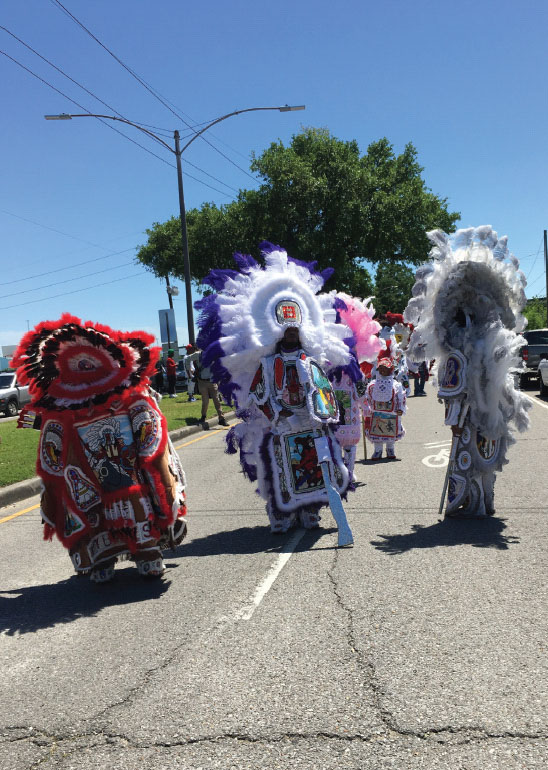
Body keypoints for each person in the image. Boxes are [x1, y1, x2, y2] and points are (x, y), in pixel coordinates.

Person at [12, 314, 188, 582]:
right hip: (88, 473)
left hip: (129, 469)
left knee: (140, 505)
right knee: (93, 512)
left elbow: (149, 421)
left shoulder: (129, 393)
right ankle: (101, 559)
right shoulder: (66, 403)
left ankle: (148, 553)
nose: (86, 368)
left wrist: (146, 447)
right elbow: (56, 433)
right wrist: (42, 424)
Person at [194, 242, 354, 536]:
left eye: (296, 331)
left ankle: (310, 510)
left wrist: (322, 414)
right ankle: (282, 513)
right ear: (278, 332)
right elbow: (258, 394)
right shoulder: (268, 364)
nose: (292, 335)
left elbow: (323, 390)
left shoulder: (310, 361)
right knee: (280, 471)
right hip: (280, 427)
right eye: (287, 331)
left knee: (316, 468)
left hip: (309, 425)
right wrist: (279, 416)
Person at [404, 226, 531, 518]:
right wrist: (454, 420)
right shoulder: (456, 354)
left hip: (488, 415)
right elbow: (452, 391)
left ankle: (484, 500)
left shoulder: (492, 346)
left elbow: (503, 384)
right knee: (468, 458)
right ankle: (471, 501)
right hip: (469, 418)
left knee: (486, 456)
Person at [328, 292, 384, 480]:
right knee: (350, 447)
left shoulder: (326, 367)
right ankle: (349, 473)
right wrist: (367, 409)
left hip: (332, 416)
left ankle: (339, 473)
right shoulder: (353, 369)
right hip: (349, 418)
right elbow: (360, 390)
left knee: (334, 446)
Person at [364, 356, 406, 460]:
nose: (382, 371)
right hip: (376, 413)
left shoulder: (396, 385)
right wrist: (366, 408)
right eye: (381, 369)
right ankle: (378, 451)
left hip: (392, 413)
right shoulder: (372, 385)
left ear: (390, 370)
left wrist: (401, 408)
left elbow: (401, 398)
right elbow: (368, 397)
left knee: (390, 432)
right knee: (377, 432)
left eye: (385, 369)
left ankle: (390, 449)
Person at [194, 350, 228, 429]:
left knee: (217, 400)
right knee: (205, 401)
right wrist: (190, 370)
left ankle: (221, 418)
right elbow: (187, 359)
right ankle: (203, 416)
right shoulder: (198, 354)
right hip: (202, 382)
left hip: (212, 382)